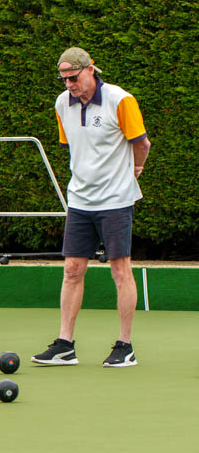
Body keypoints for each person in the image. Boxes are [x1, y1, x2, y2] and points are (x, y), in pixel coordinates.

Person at [32, 47, 151, 367]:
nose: (69, 84)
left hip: (116, 200)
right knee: (72, 269)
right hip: (80, 201)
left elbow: (142, 143)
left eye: (74, 77)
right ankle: (65, 344)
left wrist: (136, 169)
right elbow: (74, 147)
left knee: (119, 270)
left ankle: (125, 346)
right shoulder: (62, 104)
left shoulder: (120, 100)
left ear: (91, 70)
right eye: (64, 79)